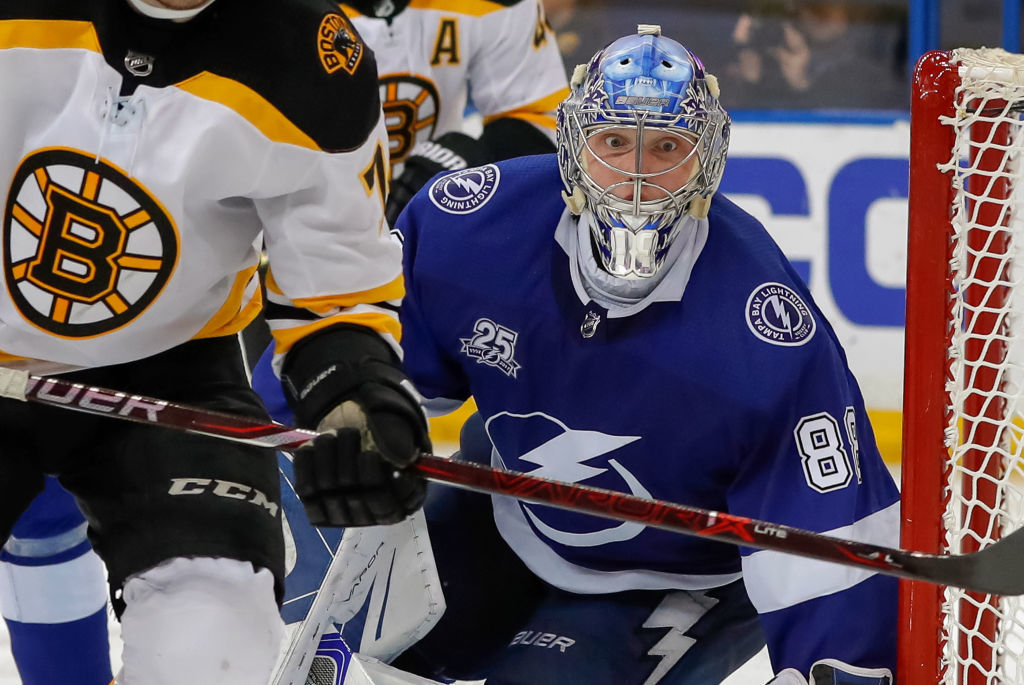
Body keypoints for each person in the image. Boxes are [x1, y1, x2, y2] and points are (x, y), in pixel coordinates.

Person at [390, 25, 899, 684]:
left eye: (666, 147)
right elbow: (361, 364)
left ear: (706, 160)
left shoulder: (763, 325)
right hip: (512, 513)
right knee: (347, 638)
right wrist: (352, 414)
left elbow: (827, 522)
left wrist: (842, 666)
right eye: (613, 143)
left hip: (683, 571)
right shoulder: (470, 226)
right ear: (573, 147)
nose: (635, 176)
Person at [0, 0, 427, 683]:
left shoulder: (315, 58)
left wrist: (353, 394)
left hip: (170, 371)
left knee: (212, 641)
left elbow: (335, 288)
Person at [340, 0, 569, 227]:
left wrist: (462, 169)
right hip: (317, 213)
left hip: (429, 222)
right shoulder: (307, 15)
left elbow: (542, 120)